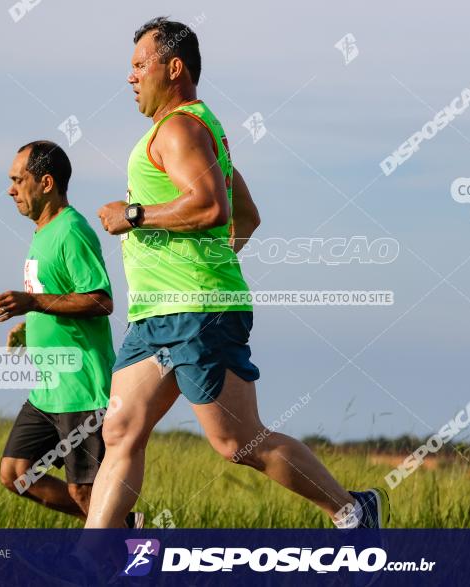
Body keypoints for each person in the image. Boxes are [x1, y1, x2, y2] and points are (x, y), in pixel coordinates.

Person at [90, 17, 389, 529]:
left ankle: (353, 511)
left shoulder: (180, 127)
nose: (131, 77)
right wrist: (210, 262)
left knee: (237, 441)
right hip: (157, 314)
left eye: (140, 64)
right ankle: (94, 560)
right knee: (119, 429)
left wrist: (134, 216)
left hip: (195, 312)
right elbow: (245, 212)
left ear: (174, 66)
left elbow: (212, 206)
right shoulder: (196, 132)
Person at [0, 140, 141, 527]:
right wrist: (31, 325)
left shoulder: (71, 231)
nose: (10, 190)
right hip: (47, 393)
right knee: (16, 473)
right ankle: (123, 522)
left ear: (46, 182)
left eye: (18, 180)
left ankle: (131, 550)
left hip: (81, 391)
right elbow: (58, 297)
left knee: (84, 492)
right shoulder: (43, 232)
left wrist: (34, 304)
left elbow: (100, 300)